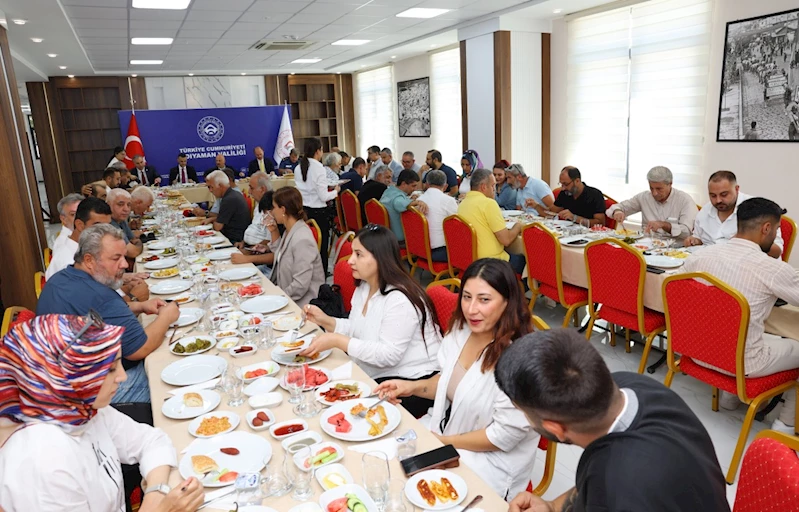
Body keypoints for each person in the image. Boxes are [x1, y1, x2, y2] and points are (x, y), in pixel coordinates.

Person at [497, 328, 730, 512]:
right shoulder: (628, 387)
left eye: (523, 412)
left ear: (555, 428)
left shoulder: (619, 492)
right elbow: (598, 480)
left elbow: (610, 486)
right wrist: (553, 506)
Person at [0, 314, 204, 512]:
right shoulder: (44, 461)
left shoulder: (79, 410)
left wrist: (154, 495)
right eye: (110, 369)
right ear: (68, 376)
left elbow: (152, 441)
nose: (122, 377)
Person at [375, 258, 538, 497]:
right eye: (467, 297)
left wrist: (444, 442)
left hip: (490, 460)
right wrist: (411, 387)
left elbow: (502, 436)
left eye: (484, 300)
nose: (471, 309)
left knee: (423, 493)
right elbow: (448, 383)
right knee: (385, 462)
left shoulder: (520, 360)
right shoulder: (461, 331)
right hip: (446, 432)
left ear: (507, 302)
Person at [682, 197, 799, 432]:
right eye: (776, 230)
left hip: (697, 351)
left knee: (742, 328)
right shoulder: (772, 269)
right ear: (767, 228)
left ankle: (729, 397)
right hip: (743, 362)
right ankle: (786, 425)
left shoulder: (699, 256)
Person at [301, 225, 441, 417]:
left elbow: (388, 355)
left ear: (380, 258)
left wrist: (337, 341)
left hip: (413, 381)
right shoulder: (365, 287)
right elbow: (357, 328)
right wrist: (326, 321)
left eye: (358, 254)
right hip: (379, 372)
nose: (350, 260)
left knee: (343, 409)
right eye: (352, 253)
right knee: (321, 391)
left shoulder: (399, 299)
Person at [37, 224, 180, 403]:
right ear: (89, 260)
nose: (125, 264)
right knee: (167, 375)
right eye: (116, 258)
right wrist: (167, 316)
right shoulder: (99, 295)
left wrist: (139, 306)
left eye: (124, 256)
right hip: (82, 396)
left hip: (51, 384)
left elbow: (95, 314)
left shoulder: (61, 278)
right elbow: (139, 348)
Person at [686, 171, 783, 258]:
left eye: (724, 194)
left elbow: (777, 251)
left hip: (746, 264)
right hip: (710, 262)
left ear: (736, 189)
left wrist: (746, 241)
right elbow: (698, 238)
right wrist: (695, 241)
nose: (718, 200)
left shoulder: (757, 208)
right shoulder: (705, 210)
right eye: (713, 196)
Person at [458, 169, 525, 275]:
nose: (494, 189)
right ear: (484, 187)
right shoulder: (489, 204)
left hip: (469, 258)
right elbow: (506, 240)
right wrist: (518, 225)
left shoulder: (463, 203)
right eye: (493, 186)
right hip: (490, 262)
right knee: (526, 260)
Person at [266, 187, 325, 307]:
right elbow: (281, 256)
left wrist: (277, 298)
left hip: (302, 304)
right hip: (288, 296)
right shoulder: (290, 230)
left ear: (283, 209)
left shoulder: (302, 238)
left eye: (274, 207)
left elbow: (300, 285)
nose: (272, 212)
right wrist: (273, 231)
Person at [607, 166, 697, 240]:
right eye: (651, 188)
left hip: (675, 248)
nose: (654, 193)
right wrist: (617, 211)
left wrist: (664, 225)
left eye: (659, 189)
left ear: (670, 184)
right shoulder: (644, 197)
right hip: (646, 245)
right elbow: (616, 207)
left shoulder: (685, 200)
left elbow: (686, 232)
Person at [295, 138, 339, 272]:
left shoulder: (298, 167)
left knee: (307, 244)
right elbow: (323, 196)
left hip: (304, 211)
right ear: (318, 151)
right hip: (319, 212)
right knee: (321, 246)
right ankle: (322, 274)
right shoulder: (319, 168)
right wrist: (335, 192)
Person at [46, 197, 112, 280]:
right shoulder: (69, 263)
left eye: (108, 226)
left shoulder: (87, 248)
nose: (106, 232)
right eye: (98, 226)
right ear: (80, 225)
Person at [418, 170, 457, 262]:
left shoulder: (419, 200)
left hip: (420, 249)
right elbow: (459, 224)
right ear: (445, 186)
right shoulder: (448, 201)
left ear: (427, 184)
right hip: (440, 251)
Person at [232, 190, 276, 272]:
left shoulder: (280, 226)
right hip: (257, 254)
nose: (264, 218)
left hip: (271, 269)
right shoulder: (274, 225)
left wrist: (247, 257)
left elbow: (275, 256)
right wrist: (264, 248)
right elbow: (274, 247)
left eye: (267, 214)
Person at [380, 169, 428, 244]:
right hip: (398, 239)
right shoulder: (397, 199)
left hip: (384, 235)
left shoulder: (389, 191)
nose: (415, 189)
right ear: (403, 184)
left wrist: (409, 199)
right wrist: (418, 202)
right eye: (413, 186)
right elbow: (399, 203)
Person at [205, 170, 250, 243]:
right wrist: (212, 219)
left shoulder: (229, 199)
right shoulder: (234, 194)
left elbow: (217, 227)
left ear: (220, 186)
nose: (210, 190)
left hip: (234, 240)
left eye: (211, 187)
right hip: (237, 235)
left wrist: (212, 222)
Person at [107, 188, 144, 259]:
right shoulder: (110, 225)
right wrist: (139, 242)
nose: (126, 209)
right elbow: (133, 252)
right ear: (108, 205)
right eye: (120, 204)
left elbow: (133, 239)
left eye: (129, 205)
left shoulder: (120, 219)